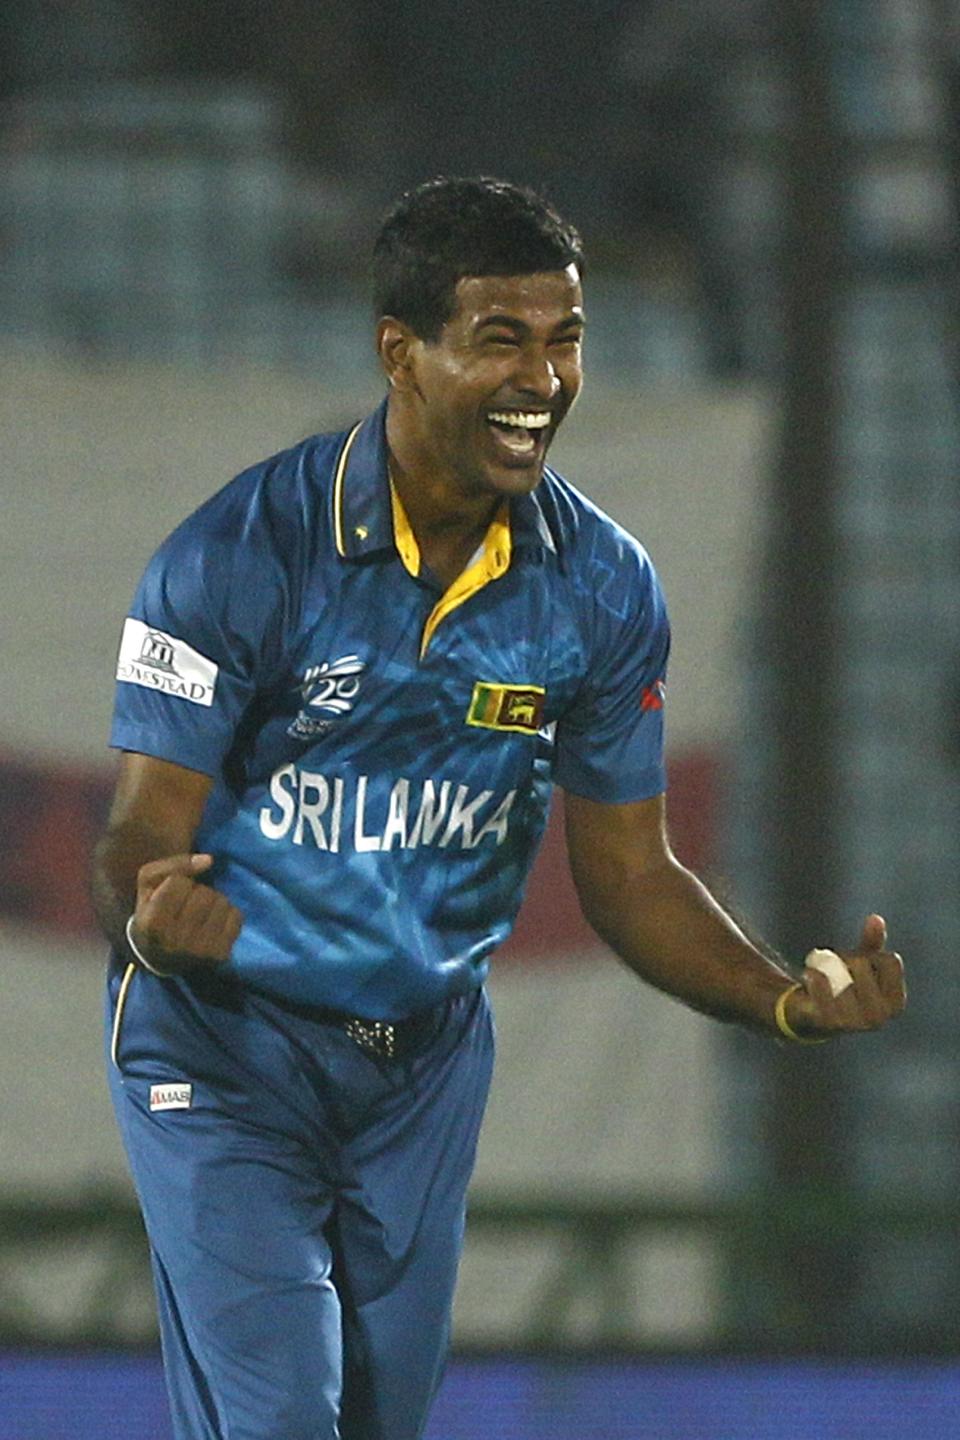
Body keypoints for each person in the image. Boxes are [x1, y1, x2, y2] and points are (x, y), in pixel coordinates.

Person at [92, 175, 906, 1440]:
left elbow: (632, 876)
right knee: (284, 1422)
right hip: (225, 1044)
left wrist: (784, 1002)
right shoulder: (238, 551)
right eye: (501, 341)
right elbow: (139, 835)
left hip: (421, 1069)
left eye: (565, 339)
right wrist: (151, 922)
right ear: (398, 354)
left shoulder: (604, 589)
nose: (543, 379)